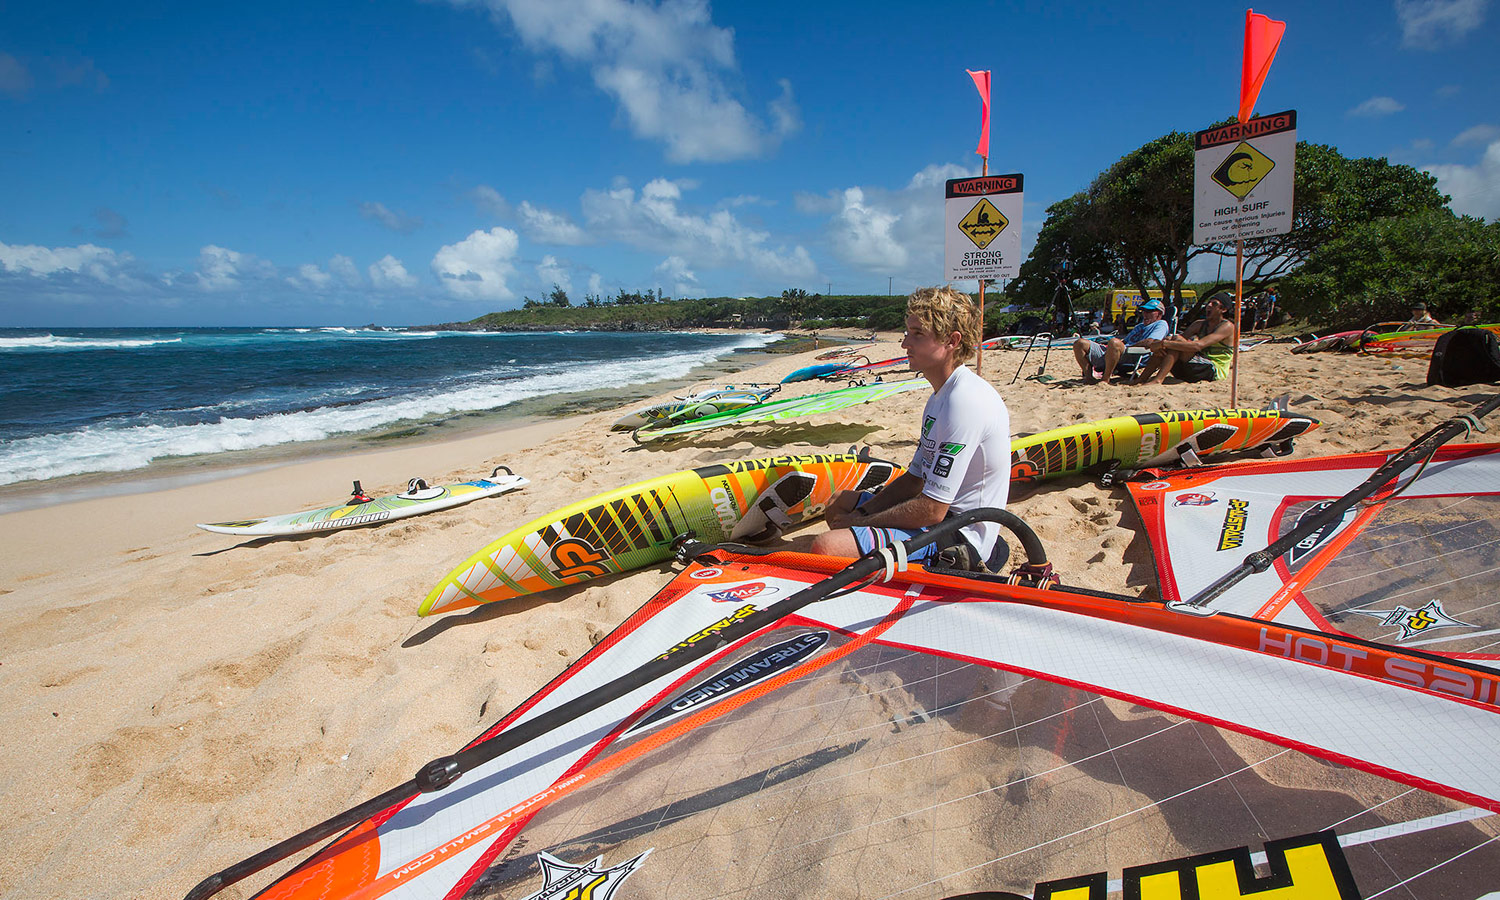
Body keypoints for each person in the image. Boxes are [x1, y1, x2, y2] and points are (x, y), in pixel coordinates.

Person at [811, 286, 1011, 571]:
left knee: (825, 548)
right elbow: (914, 479)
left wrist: (861, 522)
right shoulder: (939, 397)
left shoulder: (965, 401)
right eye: (907, 333)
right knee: (838, 503)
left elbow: (932, 510)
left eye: (917, 334)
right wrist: (862, 511)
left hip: (960, 536)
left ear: (952, 341)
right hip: (940, 515)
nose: (905, 344)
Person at [1135, 293, 1236, 384]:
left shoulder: (1227, 326)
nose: (1208, 305)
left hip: (1213, 370)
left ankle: (1157, 380)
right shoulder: (1199, 324)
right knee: (1173, 341)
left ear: (1223, 309)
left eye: (1214, 304)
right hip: (1191, 368)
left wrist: (1163, 344)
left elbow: (1198, 346)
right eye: (1208, 303)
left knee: (1175, 342)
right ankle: (1142, 379)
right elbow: (1178, 339)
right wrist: (1160, 342)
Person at [1072, 298, 1168, 385]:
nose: (1145, 313)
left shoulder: (1161, 324)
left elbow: (1152, 341)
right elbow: (1125, 341)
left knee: (1114, 343)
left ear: (1159, 314)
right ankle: (1089, 378)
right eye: (1144, 311)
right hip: (1118, 351)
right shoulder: (1140, 326)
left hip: (1133, 354)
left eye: (1149, 311)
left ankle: (1105, 379)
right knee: (1080, 343)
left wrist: (1127, 347)